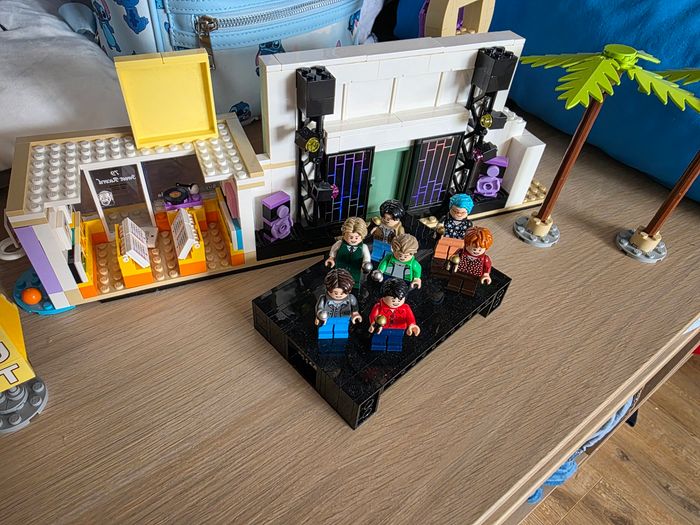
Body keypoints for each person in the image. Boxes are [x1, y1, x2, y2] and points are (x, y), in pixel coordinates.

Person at [368, 279, 420, 352]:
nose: (396, 303)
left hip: (399, 328)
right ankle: (377, 349)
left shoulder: (406, 307)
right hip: (382, 328)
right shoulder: (379, 306)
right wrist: (373, 324)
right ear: (383, 297)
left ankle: (394, 349)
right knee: (378, 340)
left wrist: (412, 325)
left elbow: (410, 317)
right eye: (393, 300)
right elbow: (373, 316)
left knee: (396, 341)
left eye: (399, 300)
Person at [446, 226, 493, 296]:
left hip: (474, 276)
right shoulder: (460, 252)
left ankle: (466, 296)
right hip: (459, 272)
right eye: (474, 249)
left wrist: (486, 274)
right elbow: (453, 258)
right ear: (466, 244)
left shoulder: (485, 258)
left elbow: (487, 267)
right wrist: (450, 264)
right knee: (453, 284)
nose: (476, 251)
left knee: (469, 288)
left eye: (480, 250)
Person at [315, 269, 362, 340]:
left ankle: (340, 342)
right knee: (324, 333)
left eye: (342, 293)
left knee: (342, 333)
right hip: (327, 319)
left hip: (344, 318)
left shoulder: (351, 298)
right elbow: (319, 308)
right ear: (328, 289)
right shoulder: (323, 298)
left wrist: (355, 313)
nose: (338, 295)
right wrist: (319, 316)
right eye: (335, 293)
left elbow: (355, 307)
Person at [325, 217, 372, 287]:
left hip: (355, 268)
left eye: (356, 237)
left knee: (354, 281)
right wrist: (331, 258)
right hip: (340, 267)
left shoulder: (364, 247)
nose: (353, 240)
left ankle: (354, 287)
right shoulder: (339, 243)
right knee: (338, 280)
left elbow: (367, 258)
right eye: (350, 237)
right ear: (344, 235)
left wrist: (365, 264)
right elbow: (333, 251)